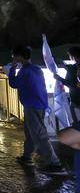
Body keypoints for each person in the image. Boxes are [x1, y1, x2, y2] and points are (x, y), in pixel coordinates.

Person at [9, 45, 66, 175]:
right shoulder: (36, 69)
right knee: (30, 132)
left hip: (32, 105)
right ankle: (27, 156)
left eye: (14, 56)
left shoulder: (25, 71)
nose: (13, 58)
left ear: (19, 57)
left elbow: (13, 83)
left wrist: (12, 68)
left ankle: (54, 164)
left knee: (39, 135)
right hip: (40, 104)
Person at [55, 47, 80, 122]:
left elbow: (73, 85)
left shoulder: (75, 68)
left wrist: (58, 78)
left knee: (76, 125)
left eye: (69, 55)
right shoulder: (74, 67)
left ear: (73, 56)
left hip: (76, 101)